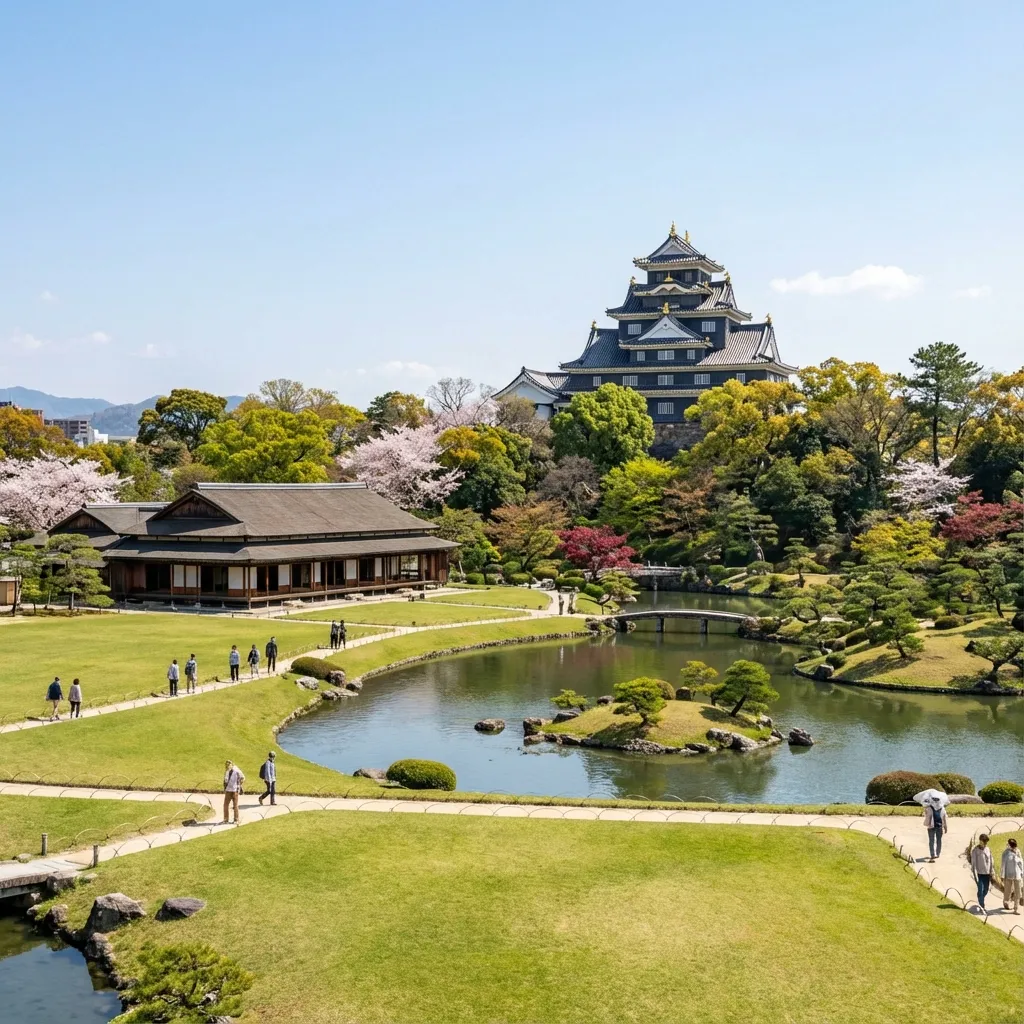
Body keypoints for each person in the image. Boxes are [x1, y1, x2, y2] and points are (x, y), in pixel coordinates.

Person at [970, 833, 993, 910]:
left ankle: (980, 898)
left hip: (987, 874)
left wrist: (991, 871)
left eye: (986, 842)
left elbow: (991, 861)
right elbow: (973, 864)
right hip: (979, 874)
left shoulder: (988, 849)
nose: (985, 844)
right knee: (980, 890)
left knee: (986, 890)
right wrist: (975, 874)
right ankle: (982, 906)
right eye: (984, 842)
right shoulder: (975, 851)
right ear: (980, 841)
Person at [1002, 837, 1023, 914]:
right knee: (1008, 891)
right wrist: (1002, 875)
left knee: (1018, 892)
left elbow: (1021, 863)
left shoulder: (1018, 852)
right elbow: (1003, 865)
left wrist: (1022, 873)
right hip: (1008, 875)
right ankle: (1006, 902)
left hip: (1017, 875)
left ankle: (1016, 908)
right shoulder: (1005, 853)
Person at [221, 760, 245, 824]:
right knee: (225, 805)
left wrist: (239, 786)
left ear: (232, 765)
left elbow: (242, 778)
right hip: (228, 790)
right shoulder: (227, 771)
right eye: (226, 765)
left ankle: (236, 819)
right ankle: (226, 819)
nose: (227, 766)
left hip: (234, 790)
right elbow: (225, 780)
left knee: (235, 805)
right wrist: (224, 788)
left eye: (228, 765)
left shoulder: (236, 770)